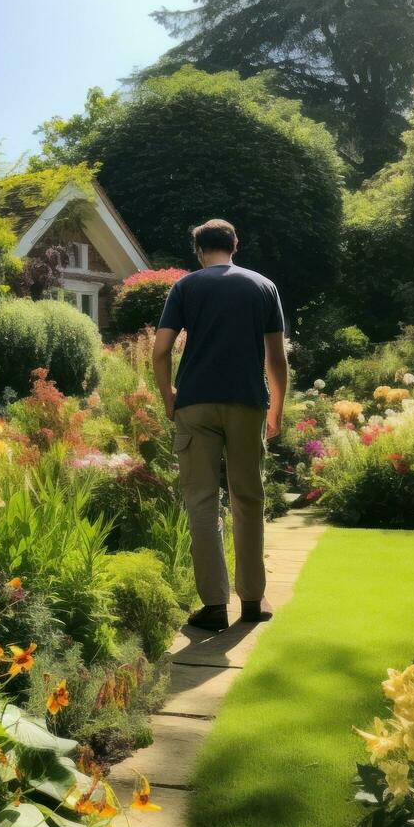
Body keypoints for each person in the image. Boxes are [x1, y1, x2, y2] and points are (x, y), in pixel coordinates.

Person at [151, 219, 288, 633]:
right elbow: (276, 357)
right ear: (235, 244)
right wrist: (277, 409)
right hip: (247, 404)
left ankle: (213, 606)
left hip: (195, 404)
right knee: (248, 498)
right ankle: (251, 601)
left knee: (202, 503)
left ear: (199, 250)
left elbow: (160, 352)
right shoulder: (262, 286)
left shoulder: (185, 288)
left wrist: (169, 396)